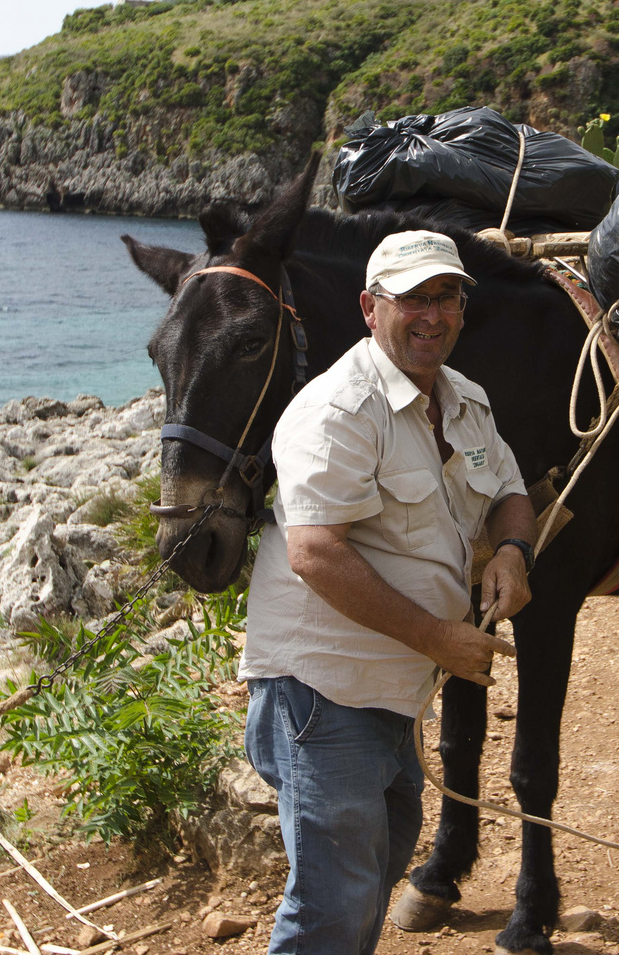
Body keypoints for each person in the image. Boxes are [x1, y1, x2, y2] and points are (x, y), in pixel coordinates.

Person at [240, 229, 537, 955]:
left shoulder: (464, 400)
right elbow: (314, 553)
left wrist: (511, 552)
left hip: (394, 692)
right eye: (412, 299)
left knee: (376, 866)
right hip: (324, 692)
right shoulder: (338, 409)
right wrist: (438, 637)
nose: (432, 314)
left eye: (447, 296)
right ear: (371, 308)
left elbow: (509, 489)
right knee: (333, 904)